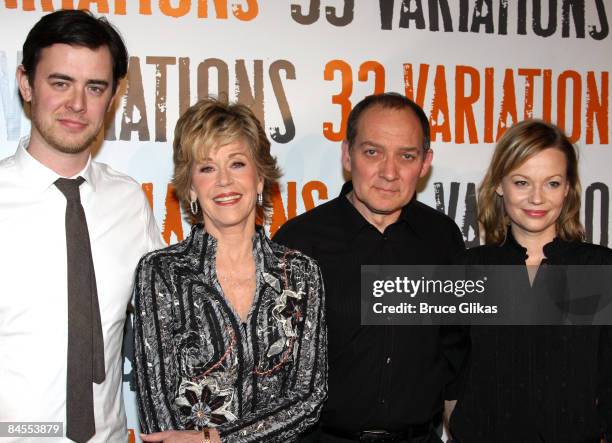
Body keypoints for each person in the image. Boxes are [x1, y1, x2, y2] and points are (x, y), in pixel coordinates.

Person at [0, 10, 164, 443]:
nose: (77, 104)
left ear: (112, 97)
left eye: (95, 87)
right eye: (60, 83)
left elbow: (165, 326)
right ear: (25, 83)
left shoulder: (129, 201)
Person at [274, 92, 469, 443]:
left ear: (425, 163)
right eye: (372, 152)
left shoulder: (443, 239)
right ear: (347, 155)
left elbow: (454, 350)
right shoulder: (299, 242)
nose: (389, 173)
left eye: (406, 156)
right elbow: (272, 368)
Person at [133, 98, 327, 443]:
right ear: (191, 186)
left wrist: (219, 440)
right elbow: (158, 417)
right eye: (207, 168)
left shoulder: (299, 273)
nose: (224, 181)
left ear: (260, 178)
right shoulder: (161, 272)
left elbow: (308, 397)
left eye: (237, 164)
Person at [448, 120, 612, 443]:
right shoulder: (469, 269)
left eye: (552, 183)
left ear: (568, 188)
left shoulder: (599, 267)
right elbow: (450, 375)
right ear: (499, 185)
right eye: (522, 182)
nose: (537, 198)